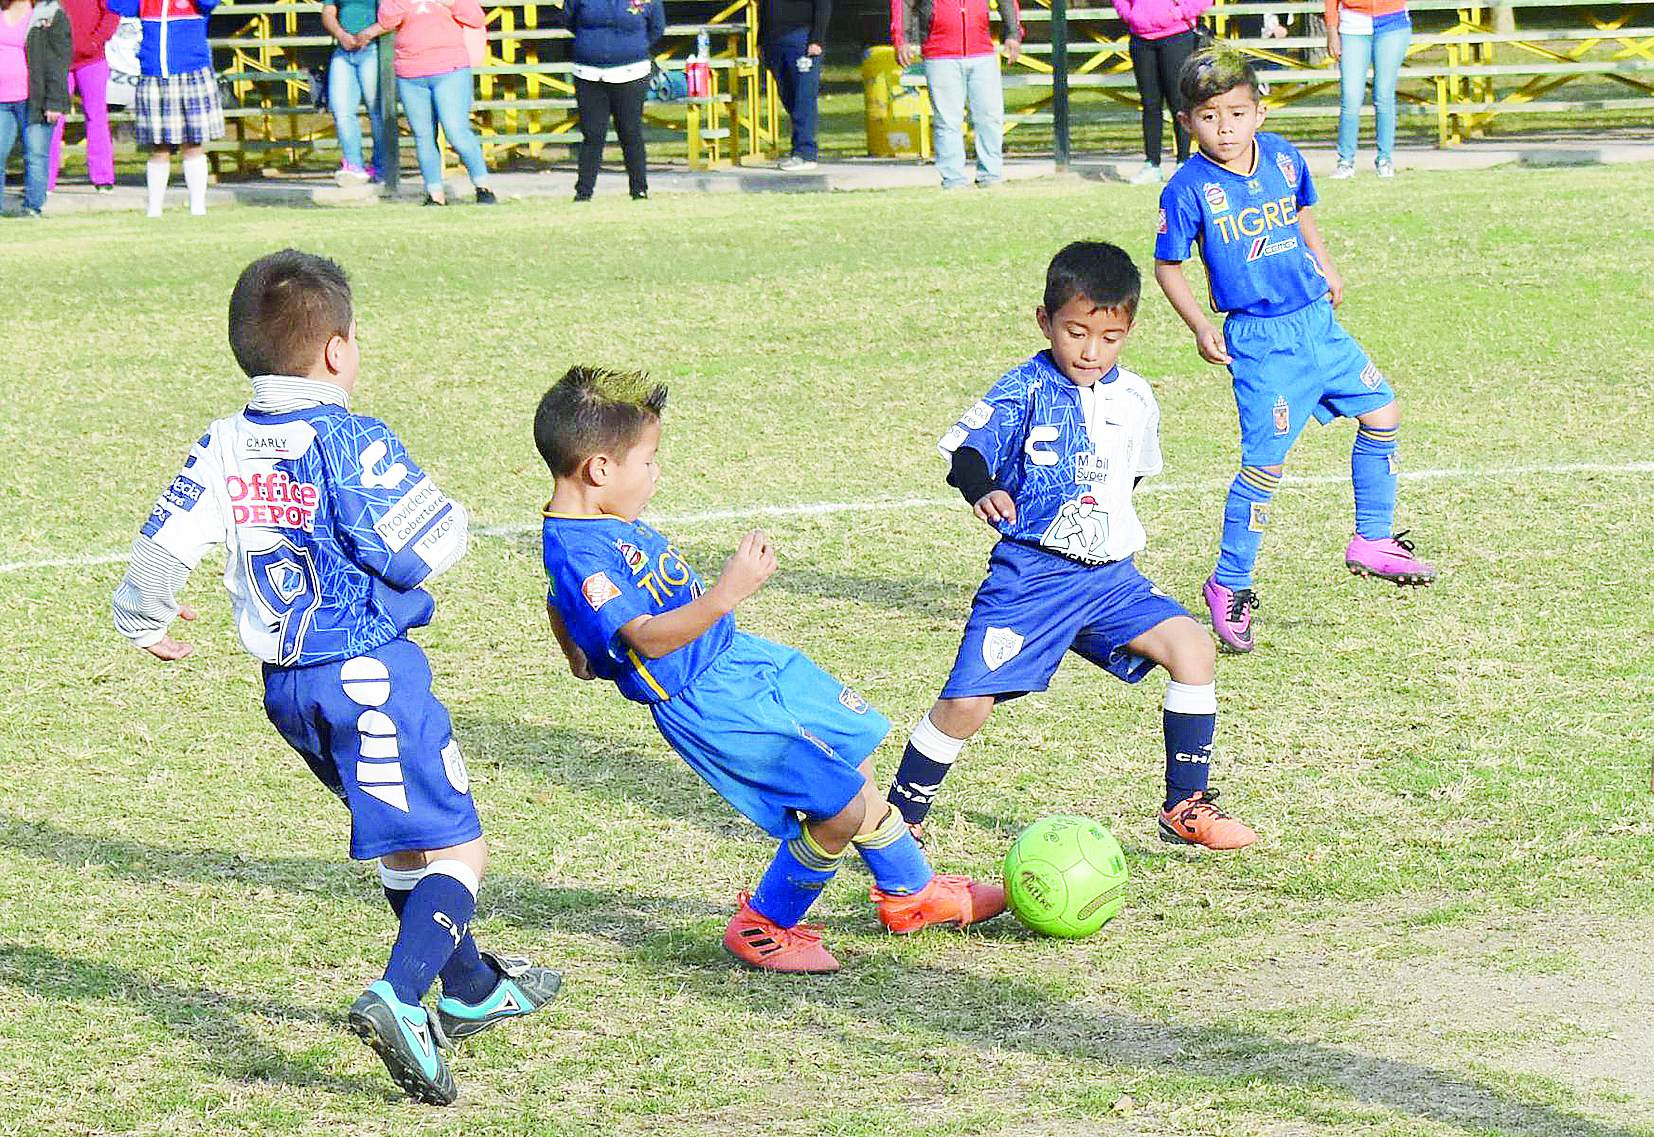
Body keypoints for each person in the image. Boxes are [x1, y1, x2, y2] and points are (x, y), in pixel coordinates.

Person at [110, 250, 559, 1105]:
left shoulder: (223, 441)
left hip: (289, 689)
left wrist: (145, 620)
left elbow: (163, 544)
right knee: (461, 845)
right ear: (337, 352)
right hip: (370, 677)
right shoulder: (351, 437)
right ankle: (399, 997)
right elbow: (429, 542)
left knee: (403, 838)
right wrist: (443, 530)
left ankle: (467, 988)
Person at [536, 366, 1006, 974]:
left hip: (743, 657)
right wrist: (726, 594)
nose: (656, 473)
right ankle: (765, 923)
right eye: (649, 461)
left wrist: (575, 651)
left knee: (850, 747)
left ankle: (911, 893)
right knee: (838, 810)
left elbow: (557, 599)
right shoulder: (578, 547)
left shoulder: (595, 520)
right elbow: (645, 640)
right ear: (601, 470)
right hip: (706, 699)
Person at [885, 241, 1258, 853]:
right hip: (1033, 577)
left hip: (1110, 578)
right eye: (1075, 331)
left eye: (1108, 338)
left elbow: (1127, 476)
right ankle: (901, 816)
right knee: (967, 703)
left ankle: (1185, 803)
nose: (1090, 350)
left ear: (1128, 329)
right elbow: (969, 449)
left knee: (1192, 646)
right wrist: (982, 489)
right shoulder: (1026, 388)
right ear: (1045, 321)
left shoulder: (1137, 398)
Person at [1152, 49, 1433, 655]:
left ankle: (1372, 540)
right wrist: (1200, 325)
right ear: (1186, 122)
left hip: (1319, 326)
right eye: (1208, 116)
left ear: (1259, 111)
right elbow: (1167, 265)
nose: (1224, 128)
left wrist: (1325, 263)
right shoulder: (1187, 188)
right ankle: (1229, 585)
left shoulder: (1283, 154)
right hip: (1262, 343)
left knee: (1382, 410)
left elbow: (1302, 213)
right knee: (1264, 468)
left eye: (1235, 112)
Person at [367, 0, 496, 205]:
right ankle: (435, 193)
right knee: (423, 136)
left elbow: (475, 18)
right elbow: (387, 19)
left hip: (450, 68)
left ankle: (483, 187)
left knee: (457, 132)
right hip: (410, 73)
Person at [106, 0, 223, 216]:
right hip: (154, 73)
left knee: (193, 143)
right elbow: (116, 5)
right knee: (159, 147)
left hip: (192, 70)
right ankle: (154, 209)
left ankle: (198, 208)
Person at [891, 0, 1021, 189]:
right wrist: (900, 38)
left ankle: (991, 175)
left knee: (990, 117)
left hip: (981, 52)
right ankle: (954, 179)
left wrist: (1013, 34)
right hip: (940, 54)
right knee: (947, 121)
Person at [562, 0, 662, 201]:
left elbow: (657, 27)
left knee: (630, 132)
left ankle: (639, 191)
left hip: (632, 72)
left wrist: (632, 48)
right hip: (588, 73)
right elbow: (569, 20)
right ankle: (583, 193)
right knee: (591, 135)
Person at [1112, 0, 1209, 185]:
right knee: (1149, 103)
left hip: (1177, 36)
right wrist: (1131, 15)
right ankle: (1152, 164)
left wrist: (1176, 13)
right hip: (1141, 39)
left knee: (1179, 103)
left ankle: (1183, 162)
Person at [1325, 0, 1410, 178]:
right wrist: (1332, 29)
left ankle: (1385, 159)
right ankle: (1345, 162)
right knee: (1351, 98)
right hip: (1352, 25)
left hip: (1393, 23)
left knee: (1384, 95)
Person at [3, 0, 70, 217]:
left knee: (36, 154)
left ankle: (33, 206)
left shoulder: (48, 15)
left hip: (35, 99)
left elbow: (58, 61)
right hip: (2, 101)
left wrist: (55, 101)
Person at [46, 0, 118, 193]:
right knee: (52, 119)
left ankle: (102, 178)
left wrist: (95, 42)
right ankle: (44, 180)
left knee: (97, 117)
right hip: (57, 59)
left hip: (93, 59)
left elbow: (112, 13)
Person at [759, 0, 827, 171]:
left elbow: (823, 5)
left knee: (803, 97)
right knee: (788, 96)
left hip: (801, 37)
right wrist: (761, 40)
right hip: (774, 40)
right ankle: (798, 149)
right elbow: (765, 7)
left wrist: (817, 38)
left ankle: (805, 153)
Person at [321, 0, 383, 185]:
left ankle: (382, 166)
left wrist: (370, 33)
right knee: (342, 111)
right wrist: (341, 35)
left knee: (377, 111)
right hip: (344, 49)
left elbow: (392, 13)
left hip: (372, 47)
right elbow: (328, 12)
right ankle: (354, 165)